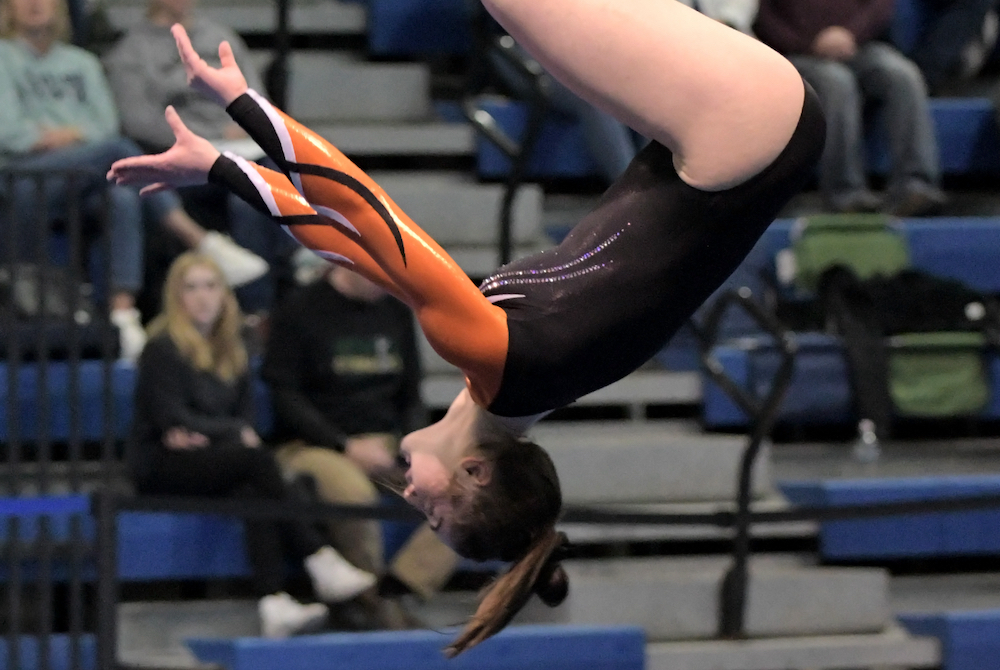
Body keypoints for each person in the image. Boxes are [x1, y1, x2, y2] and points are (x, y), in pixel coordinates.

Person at [108, 0, 824, 654]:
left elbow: (354, 251)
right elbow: (370, 213)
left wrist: (224, 167)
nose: (411, 497)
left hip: (741, 143)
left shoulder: (520, 389)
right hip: (739, 127)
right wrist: (243, 103)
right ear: (474, 472)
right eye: (436, 510)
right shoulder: (496, 356)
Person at [125, 251, 379, 638]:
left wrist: (213, 433)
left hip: (218, 459)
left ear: (224, 294)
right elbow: (172, 419)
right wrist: (224, 433)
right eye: (190, 288)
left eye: (210, 286)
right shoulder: (161, 347)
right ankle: (318, 557)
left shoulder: (235, 347)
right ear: (175, 297)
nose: (202, 297)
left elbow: (243, 420)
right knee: (257, 463)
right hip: (163, 462)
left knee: (256, 486)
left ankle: (273, 601)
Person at [0, 0, 266, 361]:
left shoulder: (83, 63)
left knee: (122, 197)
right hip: (23, 180)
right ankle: (199, 239)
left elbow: (105, 123)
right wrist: (77, 138)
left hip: (82, 176)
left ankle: (122, 316)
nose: (35, 4)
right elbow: (10, 133)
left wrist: (63, 137)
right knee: (120, 148)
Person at [262, 262, 457, 630]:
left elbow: (410, 396)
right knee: (353, 495)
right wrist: (344, 445)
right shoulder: (299, 310)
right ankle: (376, 613)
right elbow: (284, 395)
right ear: (345, 260)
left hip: (384, 441)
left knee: (461, 490)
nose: (387, 281)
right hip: (314, 444)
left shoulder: (397, 311)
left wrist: (414, 447)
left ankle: (397, 588)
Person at [103, 0, 297, 315]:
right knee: (249, 187)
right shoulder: (131, 51)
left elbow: (257, 98)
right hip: (182, 160)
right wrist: (203, 140)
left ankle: (270, 294)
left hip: (238, 148)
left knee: (274, 171)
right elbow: (138, 121)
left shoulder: (221, 37)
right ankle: (257, 304)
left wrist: (247, 122)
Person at [754, 0, 948, 216]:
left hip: (858, 44)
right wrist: (808, 44)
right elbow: (761, 16)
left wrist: (850, 35)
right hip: (796, 53)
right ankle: (845, 193)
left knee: (902, 74)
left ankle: (916, 185)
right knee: (836, 81)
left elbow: (880, 5)